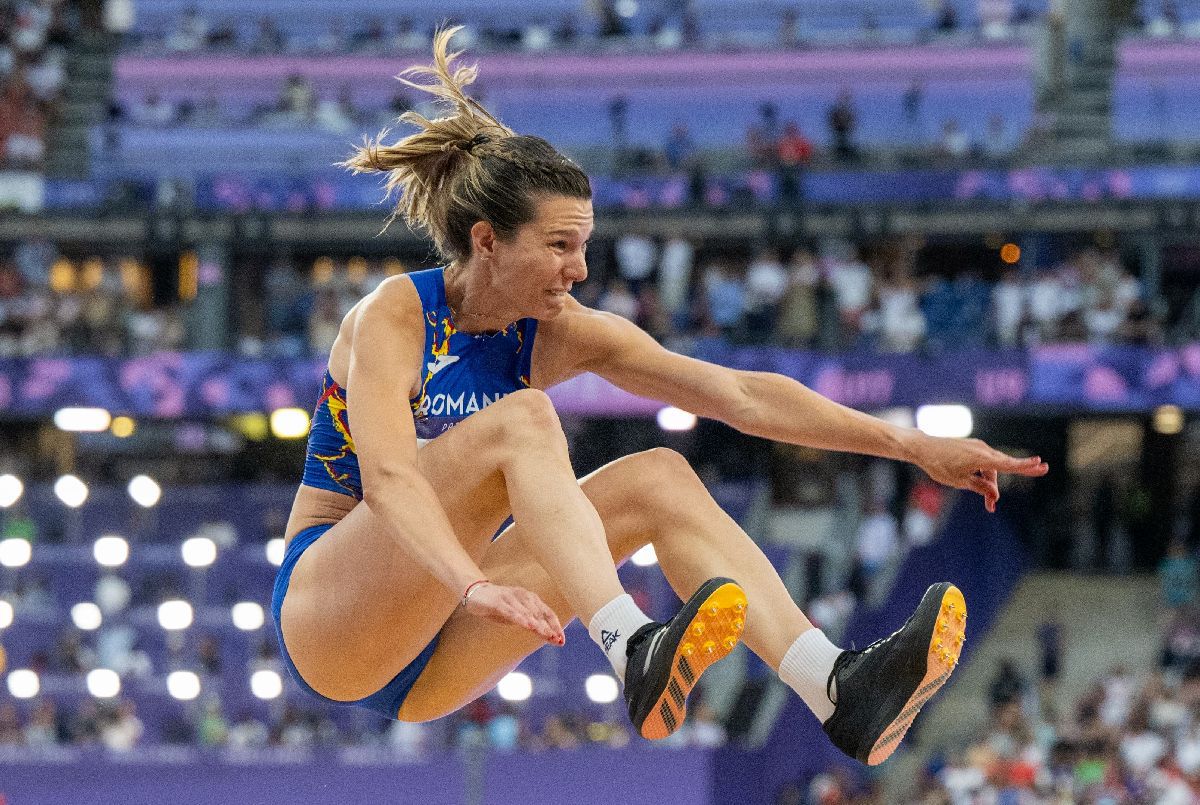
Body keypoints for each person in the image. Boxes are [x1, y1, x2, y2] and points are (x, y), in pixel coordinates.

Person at [272, 28, 1050, 765]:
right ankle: (631, 642)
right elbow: (391, 481)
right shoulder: (395, 315)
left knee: (661, 477)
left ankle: (836, 687)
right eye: (559, 246)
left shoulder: (560, 331)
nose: (579, 270)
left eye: (585, 246)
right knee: (525, 418)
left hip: (440, 645)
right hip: (335, 620)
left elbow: (740, 394)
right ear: (486, 240)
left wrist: (914, 443)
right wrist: (472, 582)